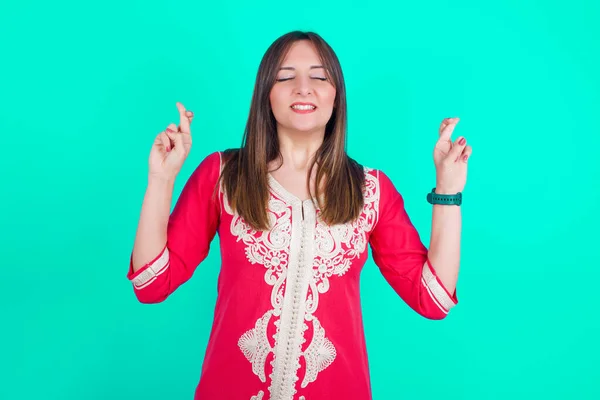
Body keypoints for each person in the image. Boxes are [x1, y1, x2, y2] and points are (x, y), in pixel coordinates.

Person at [127, 30, 471, 400]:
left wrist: (448, 190)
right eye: (286, 76)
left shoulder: (371, 191)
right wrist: (161, 178)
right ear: (266, 95)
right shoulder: (225, 175)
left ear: (336, 95)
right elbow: (150, 283)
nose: (303, 87)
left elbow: (432, 298)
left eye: (319, 77)